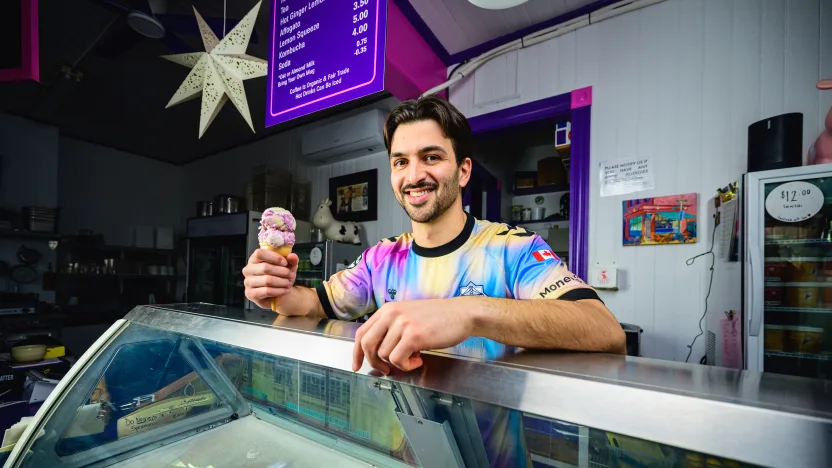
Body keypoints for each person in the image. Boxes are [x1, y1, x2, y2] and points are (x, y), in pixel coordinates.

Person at [243, 95, 626, 374]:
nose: (413, 176)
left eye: (431, 157)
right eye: (400, 162)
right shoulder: (381, 258)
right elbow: (311, 305)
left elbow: (604, 330)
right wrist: (275, 289)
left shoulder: (513, 248)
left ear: (463, 171)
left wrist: (468, 313)